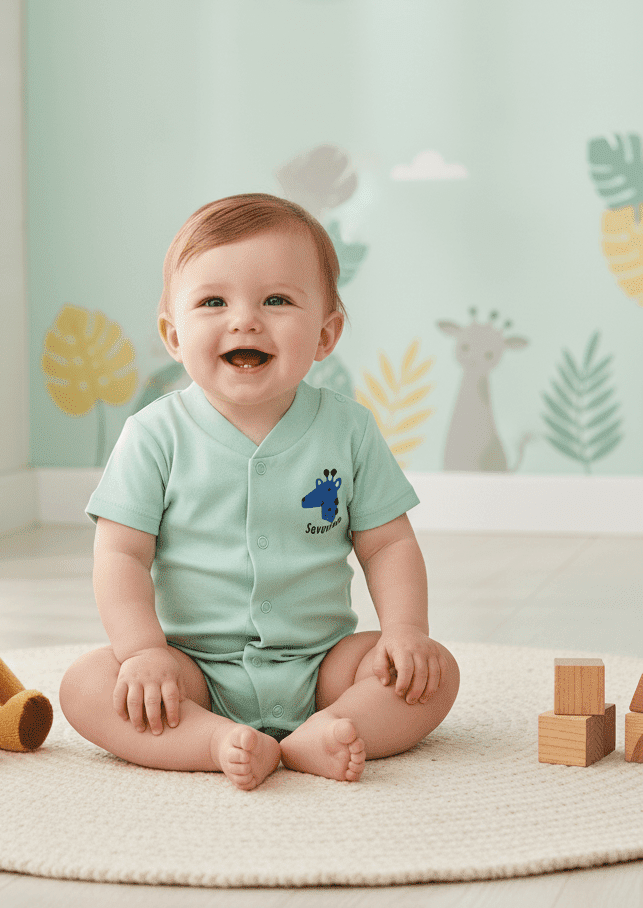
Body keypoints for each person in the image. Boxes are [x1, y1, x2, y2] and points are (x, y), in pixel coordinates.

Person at [59, 193, 459, 790]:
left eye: (277, 300)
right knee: (86, 686)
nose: (244, 320)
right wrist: (145, 652)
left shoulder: (349, 431)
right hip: (192, 670)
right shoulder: (153, 435)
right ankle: (214, 739)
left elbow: (388, 546)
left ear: (326, 334)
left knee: (433, 673)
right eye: (213, 301)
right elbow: (121, 555)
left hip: (324, 664)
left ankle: (327, 731)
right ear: (173, 334)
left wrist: (405, 632)